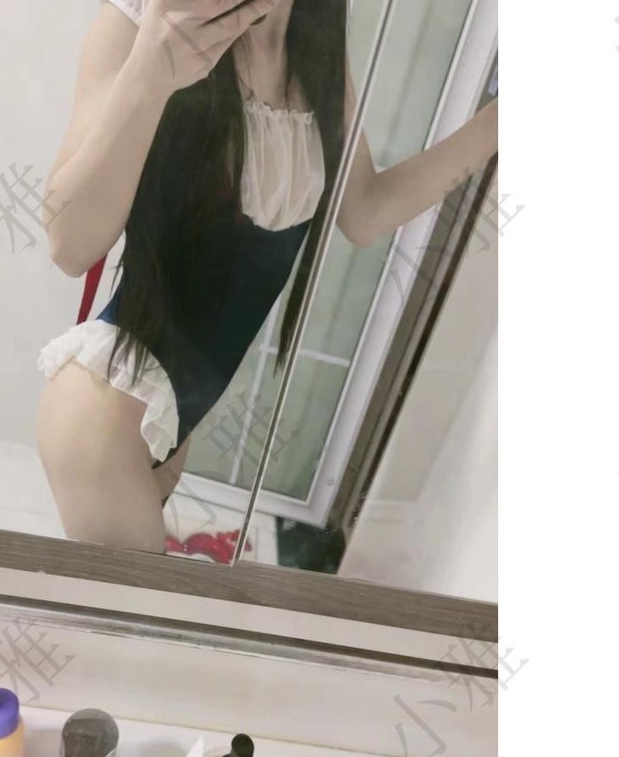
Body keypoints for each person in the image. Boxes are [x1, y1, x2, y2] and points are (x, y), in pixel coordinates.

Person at [37, 0, 497, 552]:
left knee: (140, 594)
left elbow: (365, 210)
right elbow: (69, 247)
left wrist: (499, 121)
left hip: (176, 416)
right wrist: (148, 77)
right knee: (138, 608)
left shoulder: (317, 48)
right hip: (104, 416)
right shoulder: (147, 18)